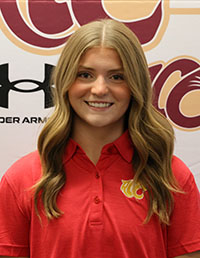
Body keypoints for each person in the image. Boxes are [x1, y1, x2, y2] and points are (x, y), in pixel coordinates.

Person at [0, 19, 200, 258]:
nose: (99, 89)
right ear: (65, 82)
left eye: (117, 77)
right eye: (85, 74)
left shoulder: (170, 176)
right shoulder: (23, 178)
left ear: (136, 85)